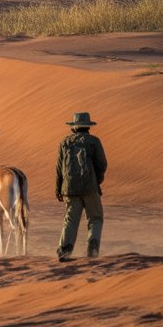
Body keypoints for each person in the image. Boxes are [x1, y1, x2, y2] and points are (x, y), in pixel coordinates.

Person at [55, 112, 108, 262]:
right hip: (90, 188)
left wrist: (58, 189)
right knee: (95, 218)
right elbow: (102, 164)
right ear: (88, 127)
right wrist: (97, 180)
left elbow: (58, 169)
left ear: (74, 128)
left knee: (70, 220)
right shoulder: (94, 142)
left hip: (69, 189)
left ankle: (65, 250)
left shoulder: (64, 143)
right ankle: (93, 248)